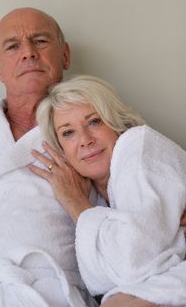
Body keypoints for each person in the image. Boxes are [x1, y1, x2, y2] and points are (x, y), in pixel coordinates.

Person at [0, 8, 98, 307]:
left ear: (65, 55)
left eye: (40, 41)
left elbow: (150, 193)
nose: (28, 53)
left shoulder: (92, 125)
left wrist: (77, 202)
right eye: (13, 46)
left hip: (49, 293)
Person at [30, 74, 186, 307]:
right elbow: (105, 281)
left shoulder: (137, 147)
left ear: (115, 122)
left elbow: (132, 260)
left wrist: (76, 205)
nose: (85, 140)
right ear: (61, 150)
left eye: (94, 121)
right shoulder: (98, 193)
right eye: (68, 132)